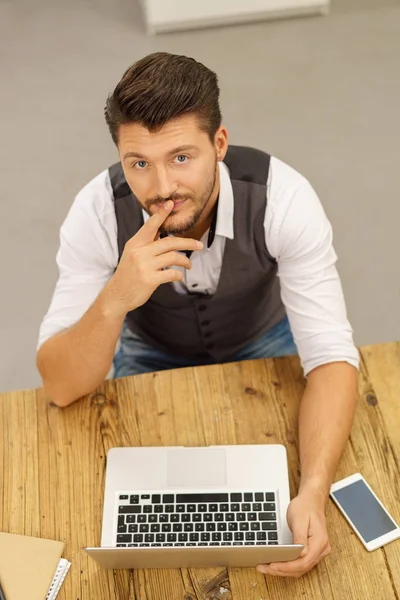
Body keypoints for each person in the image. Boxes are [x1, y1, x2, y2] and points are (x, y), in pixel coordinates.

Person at [37, 52, 359, 577]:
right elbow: (59, 385)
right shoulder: (96, 213)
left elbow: (330, 357)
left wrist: (314, 493)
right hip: (149, 348)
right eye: (139, 163)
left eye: (181, 157)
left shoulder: (284, 199)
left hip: (262, 338)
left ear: (220, 145)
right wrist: (116, 297)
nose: (161, 187)